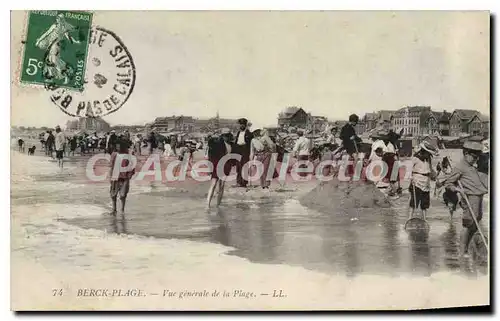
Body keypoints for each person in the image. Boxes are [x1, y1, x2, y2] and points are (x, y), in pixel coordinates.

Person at [437, 140, 488, 258]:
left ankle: (467, 247)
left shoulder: (472, 166)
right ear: (466, 154)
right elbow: (449, 183)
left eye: (477, 156)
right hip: (469, 197)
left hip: (479, 196)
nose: (475, 159)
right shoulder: (460, 167)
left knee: (476, 222)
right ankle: (462, 251)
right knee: (468, 223)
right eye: (473, 156)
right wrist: (458, 190)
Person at [409, 141, 438, 220]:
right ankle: (410, 218)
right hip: (417, 181)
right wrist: (411, 178)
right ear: (423, 151)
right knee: (414, 202)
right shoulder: (415, 158)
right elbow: (409, 169)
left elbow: (430, 169)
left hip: (426, 182)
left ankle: (424, 218)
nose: (429, 155)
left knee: (425, 202)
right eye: (428, 153)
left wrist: (435, 175)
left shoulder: (428, 159)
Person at [207, 129, 233, 208]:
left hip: (226, 166)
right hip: (217, 165)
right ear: (222, 136)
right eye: (224, 135)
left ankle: (218, 205)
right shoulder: (217, 143)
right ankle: (208, 204)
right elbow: (210, 145)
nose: (226, 137)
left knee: (222, 185)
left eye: (227, 135)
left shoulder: (232, 144)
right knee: (214, 184)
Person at [109, 138, 135, 216]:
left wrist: (130, 175)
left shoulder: (129, 154)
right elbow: (111, 166)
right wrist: (111, 176)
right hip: (115, 176)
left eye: (119, 146)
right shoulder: (114, 154)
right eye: (117, 147)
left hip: (125, 177)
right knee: (113, 194)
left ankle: (122, 209)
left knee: (123, 194)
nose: (118, 148)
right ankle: (114, 209)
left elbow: (132, 166)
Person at [234, 118, 253, 187]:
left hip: (245, 151)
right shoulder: (238, 133)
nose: (241, 126)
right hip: (238, 150)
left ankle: (244, 182)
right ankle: (238, 182)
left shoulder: (249, 133)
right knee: (238, 167)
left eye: (242, 125)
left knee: (244, 166)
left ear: (245, 125)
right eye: (240, 125)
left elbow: (251, 144)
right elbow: (236, 142)